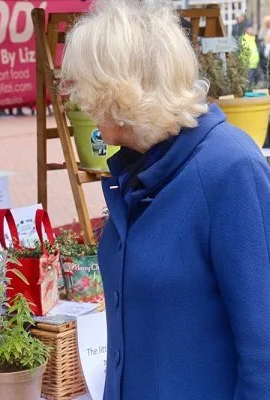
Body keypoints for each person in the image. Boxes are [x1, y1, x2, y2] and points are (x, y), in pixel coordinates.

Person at [61, 1, 270, 399]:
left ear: (123, 91)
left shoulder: (230, 168)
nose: (79, 100)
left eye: (88, 86)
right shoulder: (140, 167)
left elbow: (265, 352)